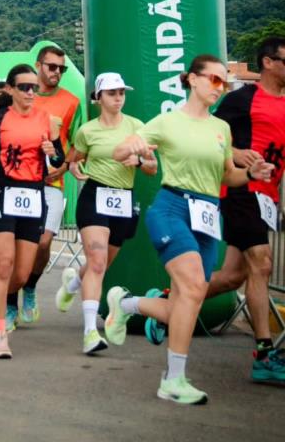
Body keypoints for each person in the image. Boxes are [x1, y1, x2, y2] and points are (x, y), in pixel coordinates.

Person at [106, 54, 274, 405]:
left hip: (208, 215)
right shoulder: (167, 121)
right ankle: (173, 379)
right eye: (214, 79)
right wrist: (133, 146)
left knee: (188, 300)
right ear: (192, 79)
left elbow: (228, 175)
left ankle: (126, 303)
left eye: (224, 82)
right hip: (172, 209)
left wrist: (251, 174)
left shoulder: (221, 128)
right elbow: (120, 151)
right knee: (195, 286)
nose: (220, 87)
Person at [55, 72, 157, 355]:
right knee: (97, 263)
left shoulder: (137, 127)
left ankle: (73, 283)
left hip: (123, 199)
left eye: (121, 93)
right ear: (98, 97)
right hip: (95, 196)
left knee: (100, 265)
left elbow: (152, 168)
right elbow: (74, 158)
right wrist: (73, 167)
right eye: (112, 93)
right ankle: (90, 332)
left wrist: (139, 162)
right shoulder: (87, 131)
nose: (118, 98)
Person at [204, 36, 285, 384]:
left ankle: (164, 302)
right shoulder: (242, 99)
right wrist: (236, 154)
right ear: (268, 62)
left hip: (267, 197)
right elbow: (210, 133)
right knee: (262, 263)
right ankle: (264, 355)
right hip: (240, 189)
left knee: (234, 276)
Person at [0, 63, 65, 358]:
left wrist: (53, 154)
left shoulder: (48, 120)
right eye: (24, 87)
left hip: (34, 196)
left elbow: (59, 158)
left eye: (34, 88)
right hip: (3, 194)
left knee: (21, 274)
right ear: (10, 89)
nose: (30, 92)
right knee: (3, 264)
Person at [17, 46, 81, 325]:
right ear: (38, 65)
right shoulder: (23, 95)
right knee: (18, 244)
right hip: (20, 181)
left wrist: (63, 167)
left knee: (44, 241)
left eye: (61, 68)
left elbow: (77, 144)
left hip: (52, 183)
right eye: (52, 66)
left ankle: (30, 286)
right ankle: (9, 299)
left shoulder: (71, 101)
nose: (57, 72)